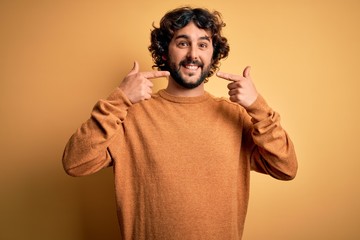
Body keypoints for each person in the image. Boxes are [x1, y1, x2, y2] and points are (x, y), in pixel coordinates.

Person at [62, 6, 298, 240]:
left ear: (212, 56)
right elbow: (75, 163)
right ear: (165, 52)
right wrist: (119, 99)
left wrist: (257, 105)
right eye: (183, 43)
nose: (193, 54)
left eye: (203, 45)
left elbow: (286, 168)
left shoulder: (236, 116)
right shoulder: (130, 116)